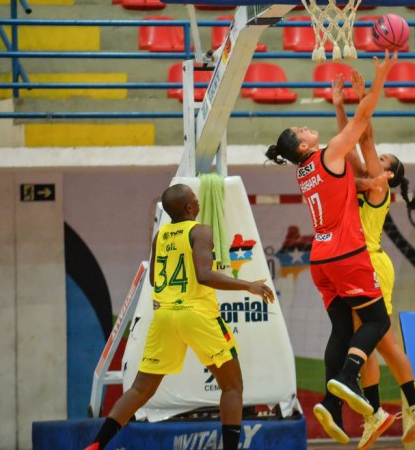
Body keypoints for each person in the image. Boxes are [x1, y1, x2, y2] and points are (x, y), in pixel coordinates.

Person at [264, 52, 398, 443]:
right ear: (304, 146)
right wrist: (379, 79)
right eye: (302, 129)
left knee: (342, 326)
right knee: (377, 323)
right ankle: (346, 376)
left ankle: (330, 402)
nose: (308, 127)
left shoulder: (304, 172)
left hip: (320, 258)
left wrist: (367, 185)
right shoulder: (328, 155)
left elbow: (341, 186)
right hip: (347, 254)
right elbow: (363, 123)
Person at [84, 183, 274, 450]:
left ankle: (96, 444)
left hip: (163, 316)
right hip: (196, 313)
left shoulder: (160, 236)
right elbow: (204, 275)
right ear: (189, 207)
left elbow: (153, 278)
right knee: (232, 386)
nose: (198, 201)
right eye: (195, 198)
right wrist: (247, 285)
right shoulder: (200, 231)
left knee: (139, 390)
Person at [331, 73, 415, 449]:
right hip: (362, 264)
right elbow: (352, 141)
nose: (375, 158)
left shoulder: (377, 182)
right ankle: (398, 408)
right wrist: (341, 106)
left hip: (369, 264)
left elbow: (365, 137)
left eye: (383, 159)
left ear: (389, 173)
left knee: (378, 343)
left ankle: (394, 407)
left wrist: (362, 97)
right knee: (377, 343)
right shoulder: (365, 178)